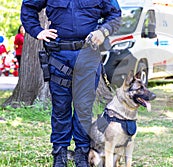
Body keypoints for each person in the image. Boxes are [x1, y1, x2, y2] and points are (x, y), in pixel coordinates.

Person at [20, 0, 121, 166]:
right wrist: (37, 31)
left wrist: (103, 31)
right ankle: (59, 153)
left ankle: (82, 152)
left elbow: (115, 14)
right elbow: (29, 7)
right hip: (59, 55)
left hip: (88, 54)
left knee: (84, 107)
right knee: (61, 106)